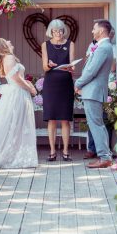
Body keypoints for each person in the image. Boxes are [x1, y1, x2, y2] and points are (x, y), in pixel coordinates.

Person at [0, 38, 38, 169]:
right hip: (17, 93)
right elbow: (16, 78)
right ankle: (7, 155)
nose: (11, 42)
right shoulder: (9, 57)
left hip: (17, 91)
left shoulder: (8, 58)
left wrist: (27, 84)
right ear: (3, 45)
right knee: (13, 122)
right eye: (8, 42)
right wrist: (30, 88)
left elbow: (18, 77)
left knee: (16, 123)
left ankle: (15, 154)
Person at [75, 20, 115, 169]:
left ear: (101, 31)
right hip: (92, 91)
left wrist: (78, 84)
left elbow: (91, 71)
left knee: (96, 125)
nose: (92, 31)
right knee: (98, 124)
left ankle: (104, 157)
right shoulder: (103, 46)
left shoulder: (103, 47)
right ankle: (105, 156)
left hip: (94, 91)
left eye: (94, 29)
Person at [41, 19, 76, 162]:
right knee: (51, 119)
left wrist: (69, 67)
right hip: (51, 83)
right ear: (51, 31)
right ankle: (52, 151)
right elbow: (44, 67)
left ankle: (66, 151)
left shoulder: (70, 44)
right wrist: (49, 65)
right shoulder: (45, 45)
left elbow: (73, 66)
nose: (58, 33)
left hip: (65, 83)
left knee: (65, 119)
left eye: (61, 30)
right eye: (55, 31)